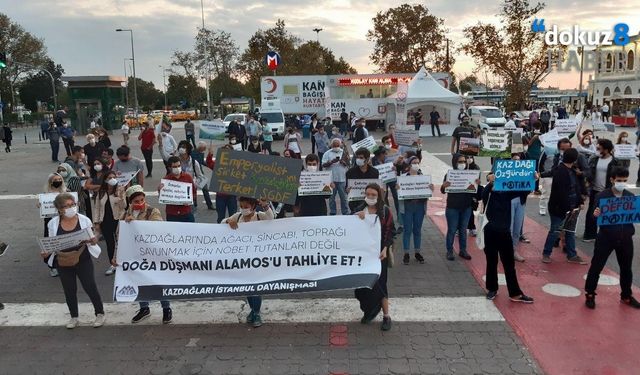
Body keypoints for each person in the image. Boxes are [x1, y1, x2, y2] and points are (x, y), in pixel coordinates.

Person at [42, 193, 105, 329]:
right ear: (59, 209)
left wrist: (94, 240)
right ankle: (74, 316)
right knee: (69, 290)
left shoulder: (84, 220)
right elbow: (51, 243)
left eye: (73, 205)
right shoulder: (53, 224)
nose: (71, 208)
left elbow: (94, 236)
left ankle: (100, 313)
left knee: (90, 286)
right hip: (63, 261)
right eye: (67, 206)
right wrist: (45, 253)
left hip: (83, 258)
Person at [585, 167, 640, 309]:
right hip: (606, 238)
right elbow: (593, 216)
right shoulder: (603, 196)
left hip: (626, 238)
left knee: (626, 269)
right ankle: (590, 294)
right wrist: (596, 214)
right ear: (612, 180)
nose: (622, 183)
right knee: (596, 267)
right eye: (619, 180)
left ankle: (626, 295)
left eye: (625, 181)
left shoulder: (630, 196)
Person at [119, 185, 174, 323]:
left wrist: (136, 223)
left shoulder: (152, 211)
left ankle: (166, 308)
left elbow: (158, 229)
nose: (140, 203)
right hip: (134, 254)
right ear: (130, 202)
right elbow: (119, 235)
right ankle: (144, 307)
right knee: (138, 280)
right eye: (136, 201)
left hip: (152, 253)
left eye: (142, 200)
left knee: (158, 281)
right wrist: (116, 256)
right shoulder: (125, 214)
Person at [481, 174, 534, 303]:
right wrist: (490, 184)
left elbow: (525, 189)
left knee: (509, 263)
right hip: (490, 230)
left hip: (504, 232)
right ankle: (492, 288)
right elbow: (481, 196)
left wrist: (532, 178)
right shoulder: (489, 189)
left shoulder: (509, 190)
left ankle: (515, 293)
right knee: (491, 261)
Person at [222, 197, 274, 327]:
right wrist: (228, 220)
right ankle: (252, 310)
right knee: (248, 287)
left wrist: (266, 205)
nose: (243, 208)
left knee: (255, 286)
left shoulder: (259, 216)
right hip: (242, 258)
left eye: (246, 206)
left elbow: (271, 218)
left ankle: (256, 313)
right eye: (241, 206)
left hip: (258, 258)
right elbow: (222, 222)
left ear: (253, 206)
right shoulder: (238, 216)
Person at [355, 183, 395, 331]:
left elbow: (390, 232)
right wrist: (355, 218)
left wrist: (385, 248)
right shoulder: (359, 210)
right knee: (362, 287)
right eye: (368, 194)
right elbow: (348, 227)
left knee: (381, 285)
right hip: (362, 256)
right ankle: (369, 311)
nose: (370, 197)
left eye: (373, 195)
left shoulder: (385, 212)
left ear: (379, 196)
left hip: (379, 255)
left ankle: (386, 316)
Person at [542, 148, 588, 264]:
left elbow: (577, 188)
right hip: (560, 208)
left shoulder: (573, 170)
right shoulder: (560, 171)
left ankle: (571, 254)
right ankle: (546, 253)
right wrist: (570, 208)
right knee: (555, 231)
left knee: (570, 231)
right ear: (574, 159)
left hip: (572, 207)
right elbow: (561, 193)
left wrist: (579, 202)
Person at [441, 154, 479, 261]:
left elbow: (476, 192)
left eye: (463, 162)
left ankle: (463, 250)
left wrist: (477, 184)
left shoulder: (470, 175)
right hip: (453, 207)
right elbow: (443, 190)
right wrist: (444, 186)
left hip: (466, 207)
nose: (462, 164)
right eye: (460, 162)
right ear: (454, 162)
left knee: (463, 230)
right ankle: (449, 251)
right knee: (452, 230)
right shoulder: (449, 175)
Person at [584, 138, 621, 242]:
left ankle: (607, 235)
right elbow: (589, 172)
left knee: (607, 213)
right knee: (592, 212)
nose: (598, 150)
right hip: (595, 190)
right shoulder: (595, 159)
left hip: (608, 191)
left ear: (606, 149)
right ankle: (590, 234)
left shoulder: (614, 161)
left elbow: (618, 176)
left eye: (599, 148)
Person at [91, 171, 126, 276]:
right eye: (110, 177)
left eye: (114, 177)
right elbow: (97, 207)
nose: (112, 179)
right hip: (105, 222)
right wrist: (96, 222)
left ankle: (121, 262)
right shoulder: (101, 192)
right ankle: (112, 264)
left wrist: (120, 196)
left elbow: (124, 206)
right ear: (105, 180)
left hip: (118, 220)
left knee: (119, 242)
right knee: (110, 243)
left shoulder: (120, 190)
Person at [399, 156, 431, 265]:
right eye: (414, 162)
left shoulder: (423, 177)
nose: (416, 164)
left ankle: (417, 252)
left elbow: (427, 193)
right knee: (407, 230)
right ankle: (406, 253)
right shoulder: (403, 177)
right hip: (407, 207)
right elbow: (399, 192)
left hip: (419, 207)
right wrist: (398, 188)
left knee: (417, 230)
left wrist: (430, 189)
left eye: (418, 162)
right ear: (409, 165)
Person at [39, 173, 68, 277]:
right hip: (50, 221)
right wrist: (40, 205)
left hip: (64, 220)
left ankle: (65, 263)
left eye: (60, 179)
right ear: (51, 182)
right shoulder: (46, 194)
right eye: (56, 179)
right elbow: (43, 206)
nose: (58, 181)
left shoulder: (66, 192)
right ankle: (52, 266)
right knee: (50, 242)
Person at [205, 145, 238, 222]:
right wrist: (210, 154)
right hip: (221, 196)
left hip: (232, 195)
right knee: (220, 217)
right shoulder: (218, 164)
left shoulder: (236, 164)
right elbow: (209, 163)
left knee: (233, 217)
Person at [160, 156, 196, 222]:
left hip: (186, 213)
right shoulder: (166, 180)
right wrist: (160, 190)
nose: (177, 168)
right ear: (170, 168)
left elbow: (194, 193)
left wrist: (189, 201)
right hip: (172, 214)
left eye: (178, 166)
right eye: (174, 167)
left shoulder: (188, 177)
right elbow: (163, 197)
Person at [346, 148, 380, 213]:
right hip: (355, 204)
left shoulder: (375, 172)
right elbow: (346, 188)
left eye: (361, 158)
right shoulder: (350, 172)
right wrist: (347, 190)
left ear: (367, 159)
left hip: (370, 203)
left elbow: (376, 188)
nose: (358, 159)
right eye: (357, 157)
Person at [323, 138, 350, 215]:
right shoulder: (327, 153)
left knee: (344, 198)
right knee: (331, 198)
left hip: (342, 179)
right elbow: (323, 164)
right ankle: (333, 212)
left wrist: (343, 162)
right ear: (331, 145)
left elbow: (349, 164)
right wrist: (331, 162)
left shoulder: (344, 153)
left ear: (340, 145)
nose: (336, 147)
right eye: (334, 145)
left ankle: (345, 212)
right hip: (331, 180)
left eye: (337, 145)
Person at [176, 140, 207, 209]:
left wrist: (194, 185)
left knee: (190, 212)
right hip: (177, 191)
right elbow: (165, 156)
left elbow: (201, 177)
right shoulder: (175, 161)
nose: (181, 148)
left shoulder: (194, 163)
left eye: (184, 147)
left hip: (190, 193)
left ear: (188, 150)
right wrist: (161, 145)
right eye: (180, 147)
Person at [192, 141, 214, 210]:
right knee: (194, 190)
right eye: (204, 148)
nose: (204, 150)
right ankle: (195, 204)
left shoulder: (199, 152)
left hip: (200, 174)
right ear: (201, 148)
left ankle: (209, 205)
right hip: (194, 174)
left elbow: (202, 162)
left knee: (205, 190)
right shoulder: (193, 153)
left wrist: (209, 165)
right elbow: (199, 162)